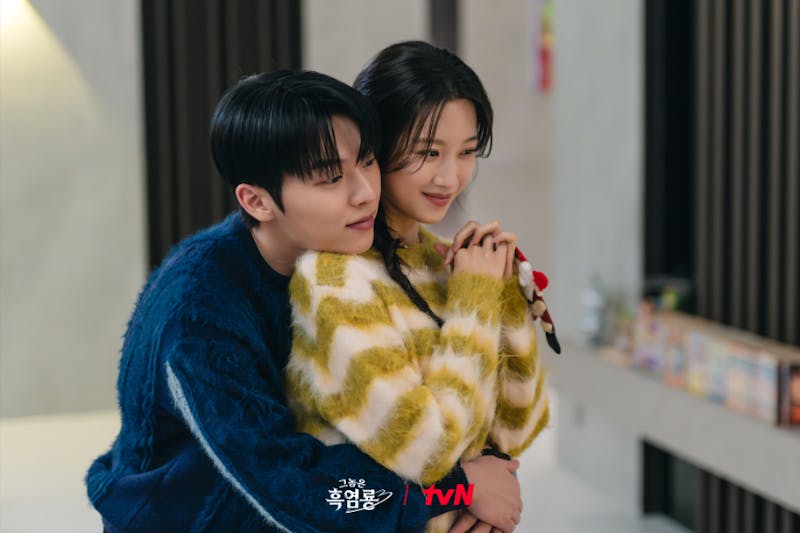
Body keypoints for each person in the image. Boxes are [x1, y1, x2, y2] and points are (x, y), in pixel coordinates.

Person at [85, 69, 519, 533]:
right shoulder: (198, 315)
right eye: (330, 178)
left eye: (367, 161)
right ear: (257, 202)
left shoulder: (343, 254)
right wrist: (454, 490)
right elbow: (290, 486)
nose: (365, 193)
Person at [287, 41, 550, 533]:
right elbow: (427, 448)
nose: (450, 177)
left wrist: (504, 291)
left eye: (467, 152)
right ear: (376, 144)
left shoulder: (452, 263)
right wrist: (475, 302)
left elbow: (519, 425)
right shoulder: (334, 279)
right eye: (429, 152)